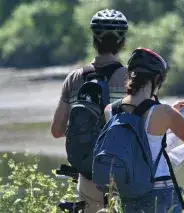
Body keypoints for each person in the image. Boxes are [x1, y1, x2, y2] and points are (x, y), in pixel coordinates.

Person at [102, 47, 184, 213]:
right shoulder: (164, 113)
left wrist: (169, 111)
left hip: (127, 194)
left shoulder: (110, 110)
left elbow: (139, 130)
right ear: (157, 78)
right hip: (160, 194)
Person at [50, 9, 129, 213]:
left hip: (88, 173)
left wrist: (85, 129)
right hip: (125, 172)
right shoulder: (132, 79)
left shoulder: (74, 78)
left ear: (94, 40)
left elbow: (57, 130)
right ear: (123, 42)